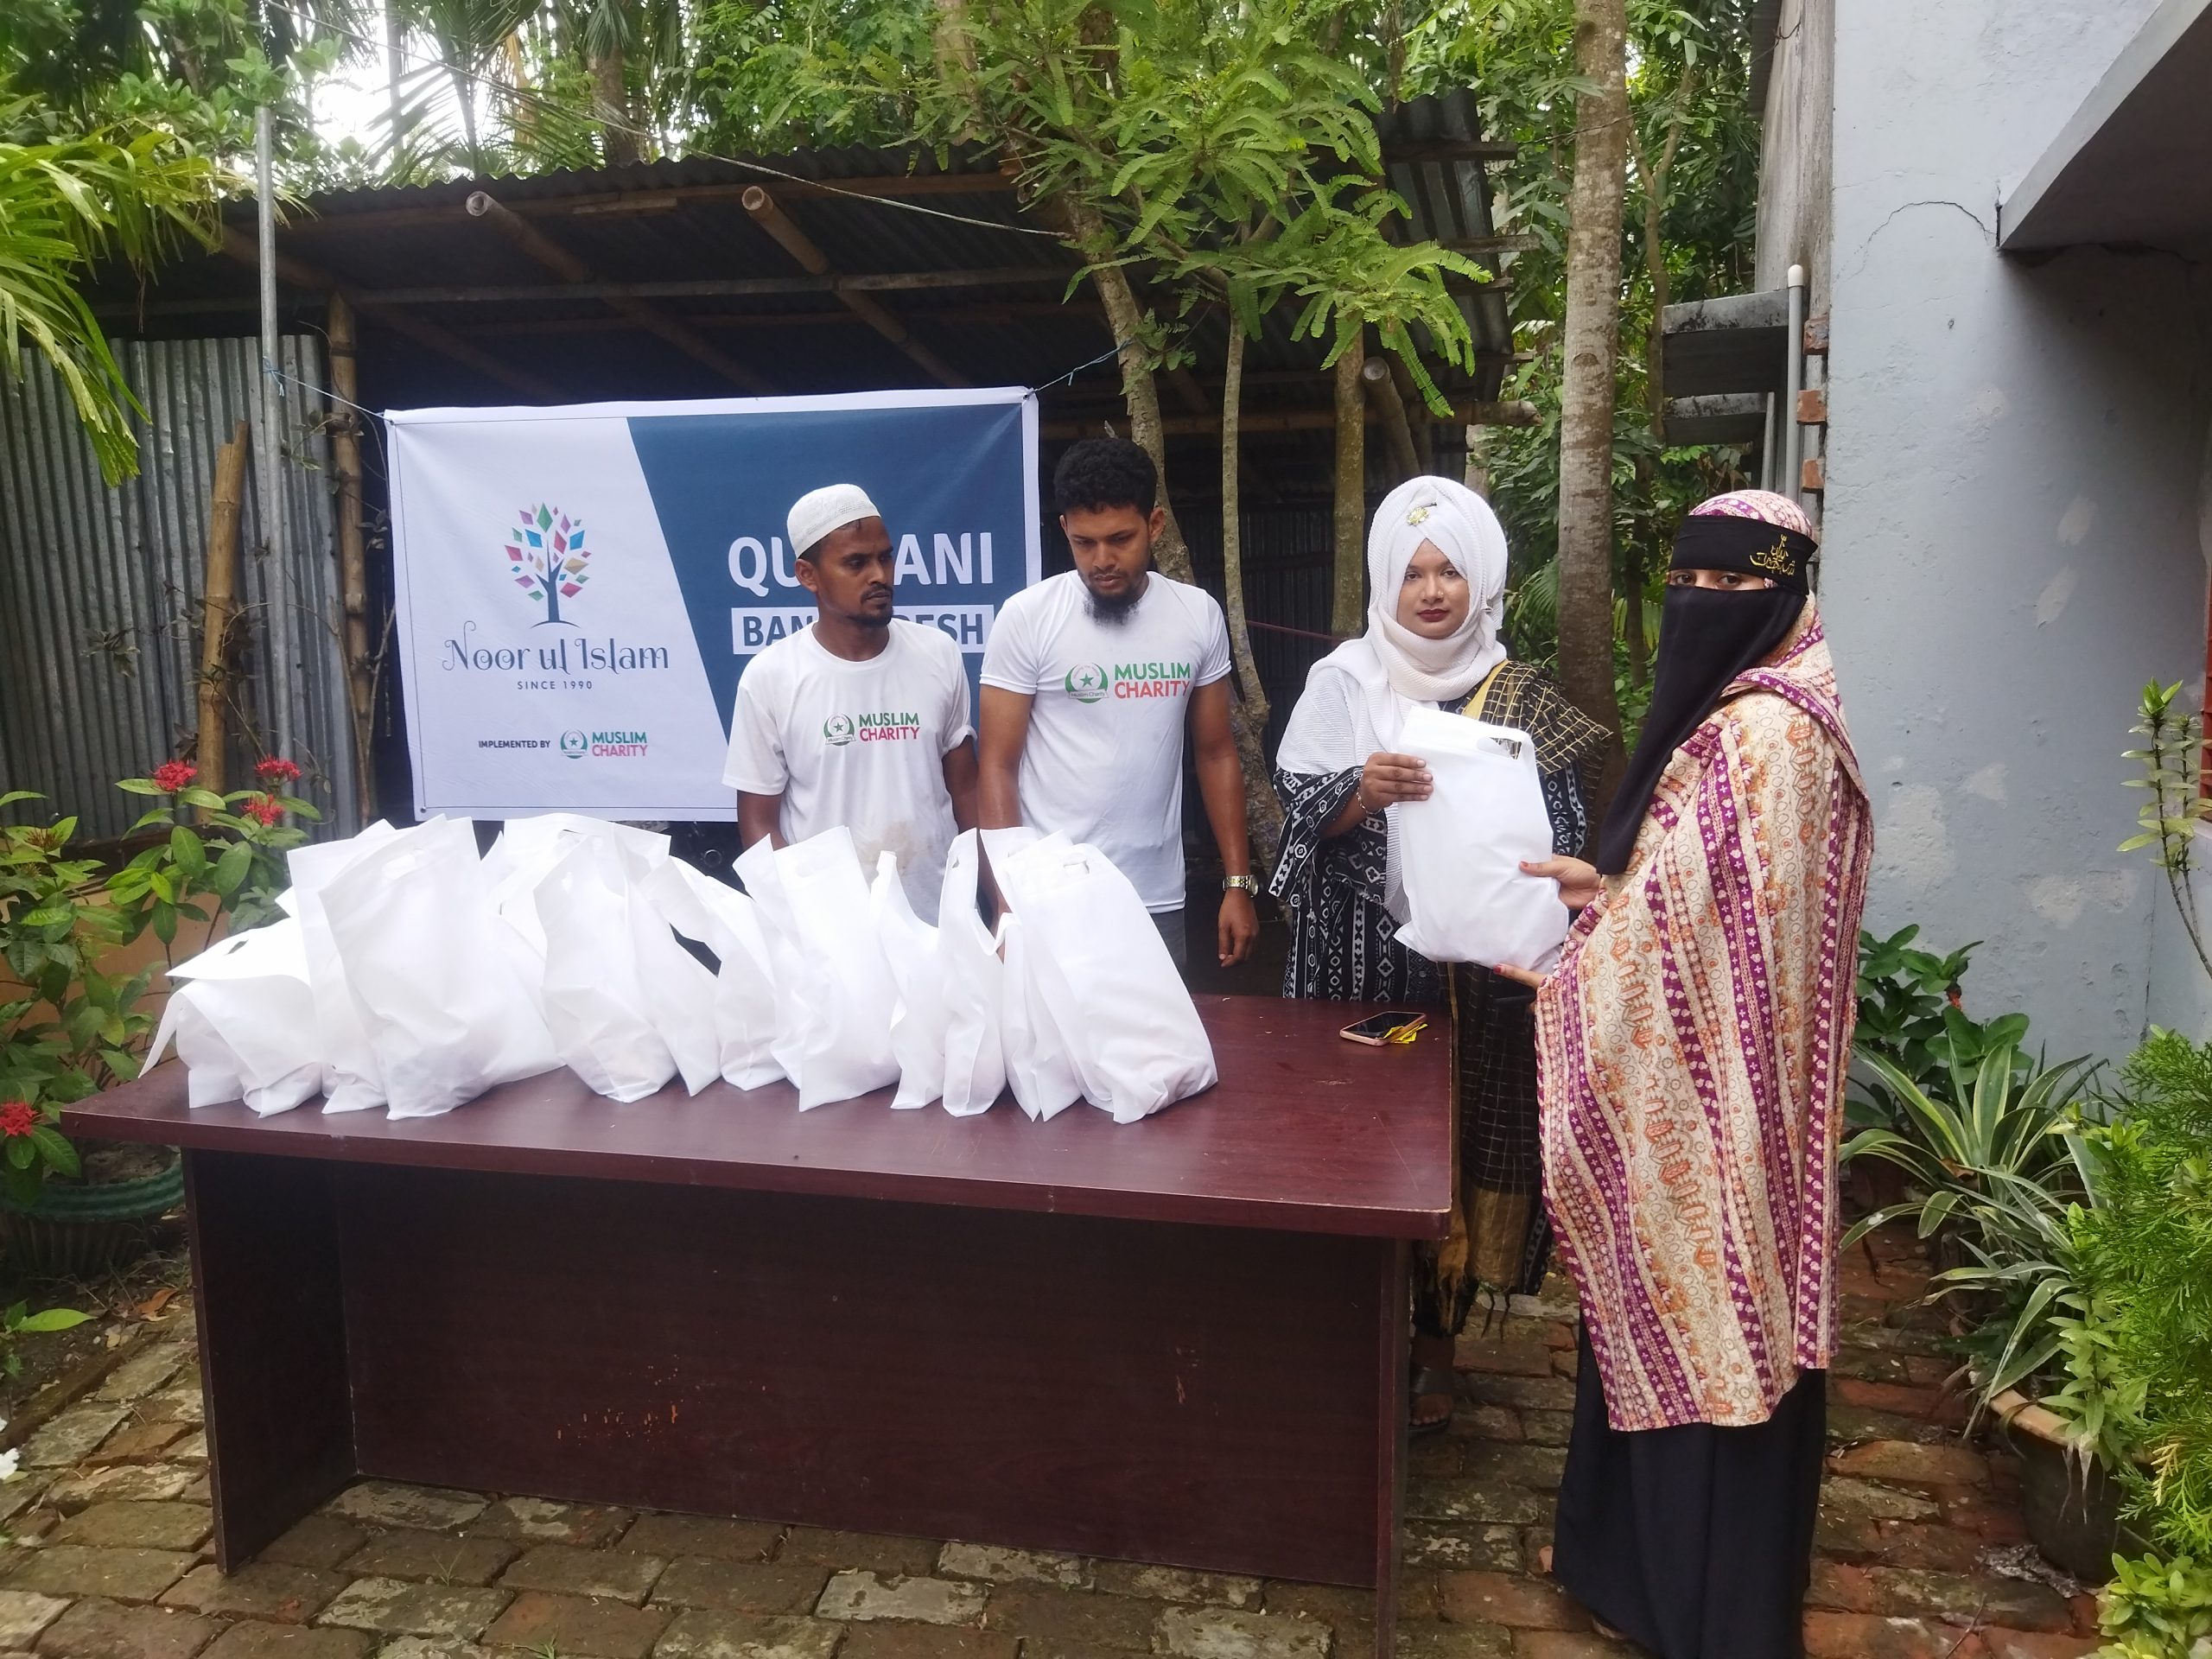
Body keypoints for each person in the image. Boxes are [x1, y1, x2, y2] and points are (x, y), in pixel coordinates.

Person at [1509, 490, 1873, 1659]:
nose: (1704, 606)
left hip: (1720, 1105)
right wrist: (1607, 891)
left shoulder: (1771, 734)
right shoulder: (1769, 704)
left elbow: (1705, 921)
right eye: (1690, 585)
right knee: (1683, 1314)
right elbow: (1689, 890)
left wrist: (1577, 963)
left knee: (1710, 1319)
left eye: (1734, 587)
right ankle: (1632, 1572)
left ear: (1786, 591)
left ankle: (1695, 1608)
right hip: (1716, 1087)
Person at [1271, 474, 1608, 1434]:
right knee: (1355, 1149)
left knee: (1449, 1160)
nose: (1430, 592)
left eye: (1450, 572)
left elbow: (1564, 830)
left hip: (1476, 980)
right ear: (1385, 580)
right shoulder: (1342, 682)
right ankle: (1349, 1336)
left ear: (1481, 580)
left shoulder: (1522, 694)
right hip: (1355, 969)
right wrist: (1361, 789)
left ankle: (1433, 1352)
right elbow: (1297, 820)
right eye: (1412, 572)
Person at [977, 438, 1257, 971]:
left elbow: (1217, 753)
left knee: (1158, 1028)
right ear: (1065, 529)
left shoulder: (1197, 615)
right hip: (1049, 897)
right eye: (1084, 543)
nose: (1102, 560)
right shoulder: (1027, 617)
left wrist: (1237, 883)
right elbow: (996, 767)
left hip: (1155, 897)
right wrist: (1008, 904)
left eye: (1120, 539)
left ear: (1155, 525)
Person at [723, 483, 977, 921]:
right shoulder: (771, 677)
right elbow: (759, 824)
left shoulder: (938, 654)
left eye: (885, 557)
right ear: (808, 575)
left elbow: (967, 788)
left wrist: (995, 902)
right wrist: (811, 921)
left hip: (940, 920)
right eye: (856, 563)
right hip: (833, 933)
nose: (879, 575)